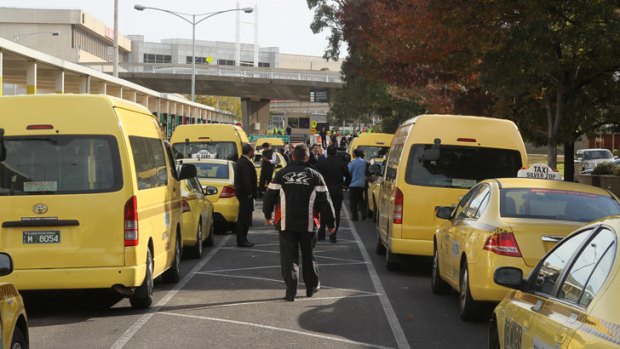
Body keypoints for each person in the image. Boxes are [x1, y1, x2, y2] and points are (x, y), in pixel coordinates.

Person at [263, 144, 336, 301]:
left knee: (289, 257)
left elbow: (269, 196)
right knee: (308, 256)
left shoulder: (281, 174)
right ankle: (311, 287)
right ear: (307, 157)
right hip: (308, 224)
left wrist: (267, 214)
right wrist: (331, 223)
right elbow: (325, 202)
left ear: (292, 156)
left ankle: (291, 291)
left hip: (286, 223)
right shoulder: (315, 176)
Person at [316, 145, 352, 242]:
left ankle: (321, 233)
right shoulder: (341, 163)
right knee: (336, 213)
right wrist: (345, 185)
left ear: (327, 152)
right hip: (337, 191)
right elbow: (348, 176)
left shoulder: (321, 162)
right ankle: (333, 235)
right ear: (336, 152)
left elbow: (316, 175)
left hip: (323, 191)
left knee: (323, 212)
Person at [234, 143, 257, 247]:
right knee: (244, 218)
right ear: (249, 152)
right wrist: (249, 193)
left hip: (244, 194)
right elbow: (246, 180)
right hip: (245, 195)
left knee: (245, 217)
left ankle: (243, 239)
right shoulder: (244, 163)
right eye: (253, 151)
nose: (254, 153)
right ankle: (242, 240)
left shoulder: (243, 162)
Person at [348, 149, 367, 221]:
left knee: (353, 201)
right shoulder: (364, 162)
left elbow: (348, 172)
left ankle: (354, 216)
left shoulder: (352, 163)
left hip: (353, 184)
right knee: (361, 199)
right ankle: (363, 213)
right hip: (362, 184)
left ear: (354, 154)